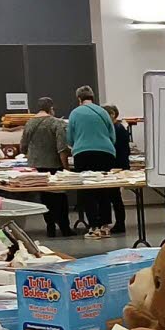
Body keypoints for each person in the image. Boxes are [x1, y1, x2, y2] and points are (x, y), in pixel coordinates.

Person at [66, 85, 117, 238]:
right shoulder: (103, 111)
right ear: (93, 97)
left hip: (83, 153)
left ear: (79, 98)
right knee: (104, 189)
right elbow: (112, 135)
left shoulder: (75, 113)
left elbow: (69, 138)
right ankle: (105, 225)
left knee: (88, 190)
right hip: (105, 153)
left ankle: (93, 226)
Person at [19, 97, 73, 237]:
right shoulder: (57, 123)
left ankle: (50, 227)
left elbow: (23, 147)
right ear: (51, 108)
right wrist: (66, 167)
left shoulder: (29, 123)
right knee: (60, 198)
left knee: (45, 198)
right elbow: (62, 149)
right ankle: (65, 228)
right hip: (54, 165)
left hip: (36, 166)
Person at [102, 104, 130, 234]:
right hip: (119, 164)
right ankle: (118, 223)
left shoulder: (116, 129)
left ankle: (119, 223)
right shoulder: (119, 128)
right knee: (114, 197)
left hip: (116, 166)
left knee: (114, 197)